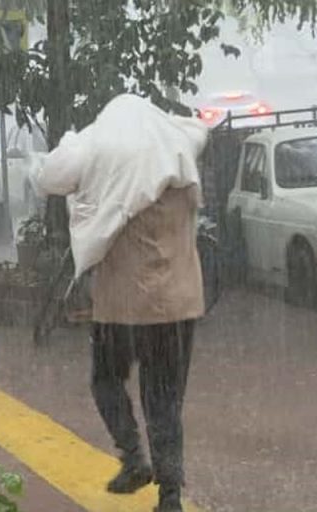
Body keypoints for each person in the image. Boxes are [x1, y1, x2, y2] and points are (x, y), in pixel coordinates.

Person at [29, 94, 209, 512]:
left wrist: (78, 138)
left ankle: (132, 458)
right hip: (180, 305)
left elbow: (51, 176)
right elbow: (197, 128)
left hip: (123, 307)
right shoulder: (179, 152)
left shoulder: (102, 156)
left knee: (106, 380)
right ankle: (169, 497)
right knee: (164, 400)